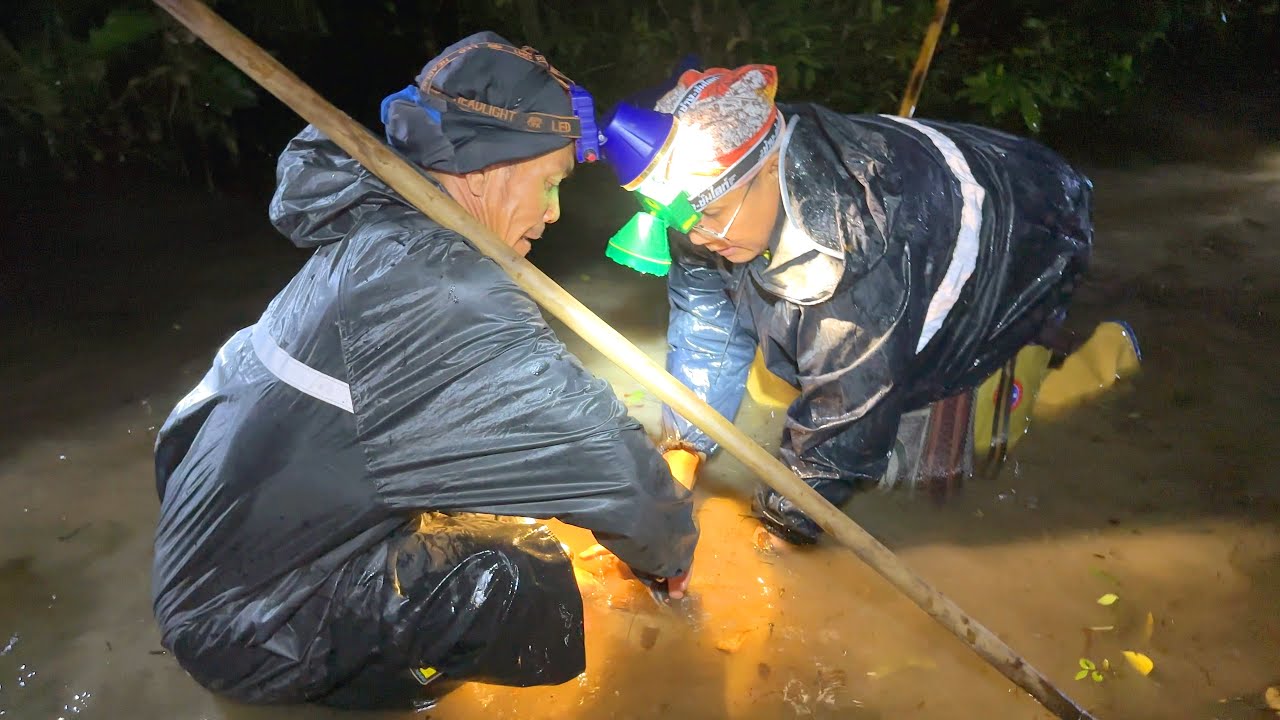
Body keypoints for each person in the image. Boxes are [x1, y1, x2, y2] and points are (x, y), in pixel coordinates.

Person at [150, 33, 697, 711]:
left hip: (203, 570)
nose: (554, 211)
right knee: (525, 572)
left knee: (463, 492)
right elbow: (602, 461)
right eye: (550, 182)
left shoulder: (378, 233)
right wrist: (671, 553)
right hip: (253, 633)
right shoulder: (444, 291)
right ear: (486, 170)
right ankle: (403, 692)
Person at [605, 64, 1095, 545]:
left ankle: (1100, 360)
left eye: (709, 214)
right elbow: (708, 329)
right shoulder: (700, 204)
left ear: (772, 165)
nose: (695, 235)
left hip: (1023, 226)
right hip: (919, 195)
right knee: (796, 366)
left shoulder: (860, 253)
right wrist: (680, 461)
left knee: (940, 452)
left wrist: (781, 528)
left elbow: (845, 423)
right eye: (681, 221)